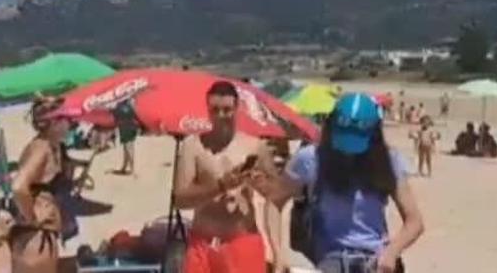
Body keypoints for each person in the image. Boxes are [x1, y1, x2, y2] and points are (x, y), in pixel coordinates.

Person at [251, 93, 424, 273]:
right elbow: (273, 202)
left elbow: (414, 221)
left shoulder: (387, 161)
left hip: (375, 259)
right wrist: (279, 255)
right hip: (328, 260)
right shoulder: (311, 159)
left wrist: (391, 252)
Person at [173, 80, 280, 273]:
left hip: (242, 243)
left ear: (237, 108)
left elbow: (278, 195)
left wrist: (260, 184)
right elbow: (180, 199)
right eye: (215, 110)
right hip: (203, 245)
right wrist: (220, 186)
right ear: (207, 109)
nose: (221, 116)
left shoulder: (255, 147)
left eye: (227, 110)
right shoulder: (192, 147)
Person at [7, 96, 75, 273]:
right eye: (67, 119)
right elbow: (18, 186)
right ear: (54, 122)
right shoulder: (41, 147)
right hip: (35, 235)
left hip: (41, 233)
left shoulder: (52, 147)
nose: (71, 124)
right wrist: (33, 219)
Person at [114, 99, 140, 176]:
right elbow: (136, 117)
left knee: (127, 148)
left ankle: (132, 169)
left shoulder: (118, 107)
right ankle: (125, 167)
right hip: (131, 127)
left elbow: (115, 119)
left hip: (124, 128)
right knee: (129, 147)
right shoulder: (130, 107)